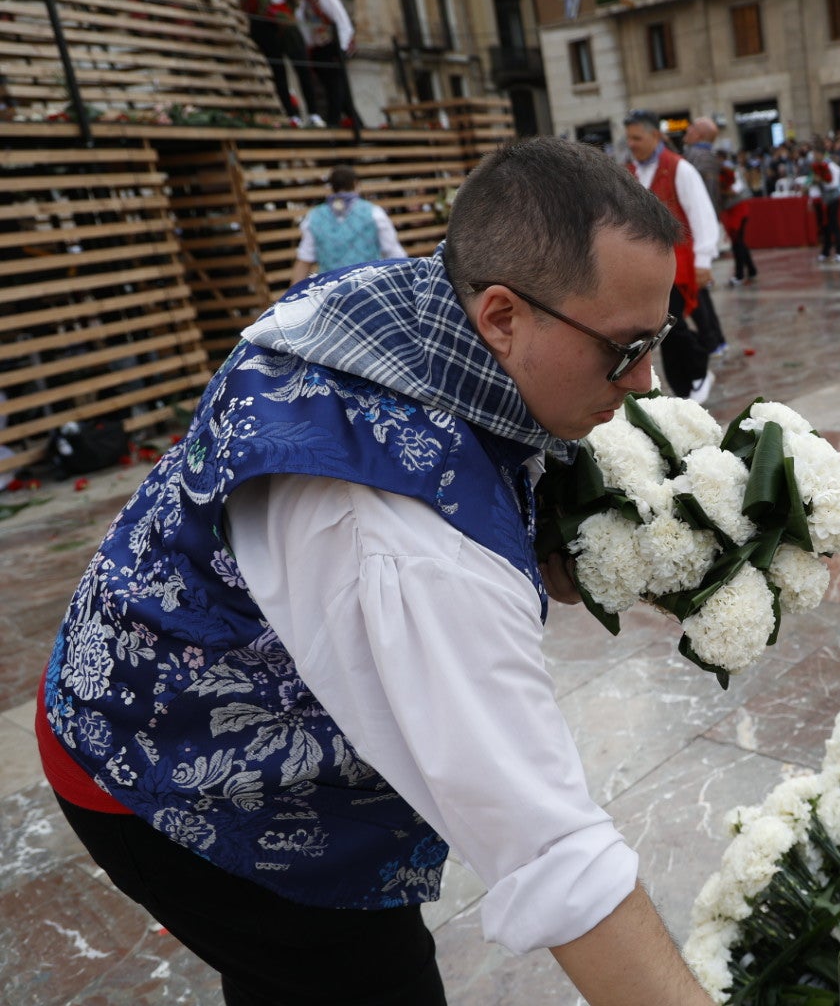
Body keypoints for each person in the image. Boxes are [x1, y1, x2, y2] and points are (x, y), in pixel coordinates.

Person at [35, 137, 719, 1006]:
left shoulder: (411, 308)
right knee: (359, 974)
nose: (648, 382)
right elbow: (551, 853)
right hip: (161, 771)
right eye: (625, 351)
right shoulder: (401, 542)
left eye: (657, 340)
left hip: (155, 677)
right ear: (503, 317)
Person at [624, 109, 722, 401]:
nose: (631, 143)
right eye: (628, 138)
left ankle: (700, 364)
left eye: (637, 137)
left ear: (655, 136)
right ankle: (683, 388)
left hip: (677, 264)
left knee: (668, 325)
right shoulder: (631, 172)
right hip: (645, 266)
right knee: (660, 331)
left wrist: (704, 260)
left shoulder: (679, 168)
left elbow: (702, 214)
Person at [232, 0, 317, 121]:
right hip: (264, 21)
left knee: (302, 64)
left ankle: (313, 113)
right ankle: (291, 115)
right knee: (278, 70)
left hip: (285, 18)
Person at [288, 164, 407, 284]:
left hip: (330, 293)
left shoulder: (314, 216)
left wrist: (290, 299)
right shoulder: (374, 213)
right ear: (356, 184)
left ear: (332, 187)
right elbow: (395, 253)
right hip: (368, 290)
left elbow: (304, 260)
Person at [680, 117, 743, 329]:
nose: (687, 130)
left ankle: (712, 338)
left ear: (699, 134)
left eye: (692, 127)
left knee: (695, 287)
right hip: (702, 224)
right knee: (698, 288)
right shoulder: (708, 157)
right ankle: (714, 338)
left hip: (691, 227)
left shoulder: (694, 157)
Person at [293, 0, 362, 129]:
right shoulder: (300, 3)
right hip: (318, 49)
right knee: (335, 88)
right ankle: (358, 125)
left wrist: (342, 49)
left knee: (335, 86)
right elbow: (303, 28)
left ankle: (333, 122)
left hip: (333, 45)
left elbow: (342, 20)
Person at [810, 150, 840, 262]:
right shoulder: (816, 167)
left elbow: (834, 183)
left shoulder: (831, 166)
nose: (815, 157)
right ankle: (826, 251)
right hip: (823, 199)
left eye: (816, 154)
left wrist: (821, 180)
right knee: (825, 226)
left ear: (821, 154)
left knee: (834, 223)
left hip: (833, 198)